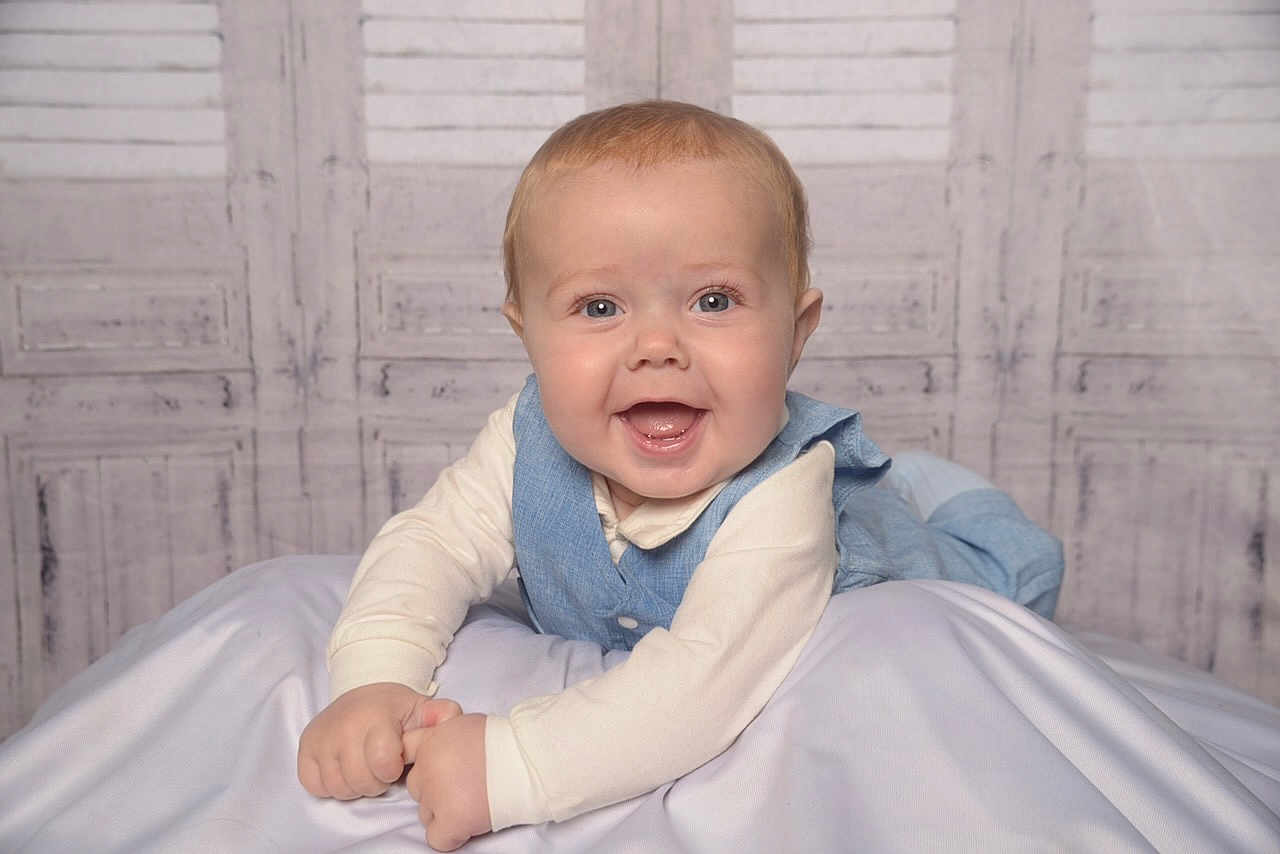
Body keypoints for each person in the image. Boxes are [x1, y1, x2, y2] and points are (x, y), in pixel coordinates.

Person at [297, 100, 1064, 850]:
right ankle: (913, 479)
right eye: (599, 306)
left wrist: (510, 765)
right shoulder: (524, 437)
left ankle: (933, 492)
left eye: (713, 300)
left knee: (991, 566)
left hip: (895, 564)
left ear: (795, 336)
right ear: (526, 335)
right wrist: (375, 678)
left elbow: (702, 685)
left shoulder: (780, 488)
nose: (657, 345)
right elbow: (430, 544)